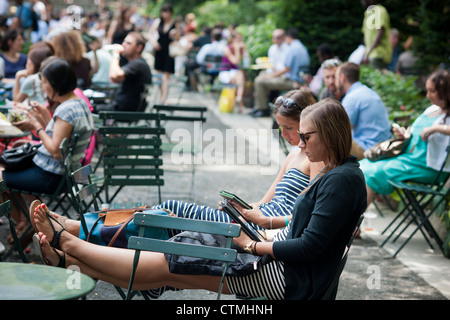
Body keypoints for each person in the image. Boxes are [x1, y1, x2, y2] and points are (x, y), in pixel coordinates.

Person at [32, 98, 366, 300]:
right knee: (169, 261)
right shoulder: (339, 172)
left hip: (284, 274)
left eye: (305, 136)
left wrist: (251, 245)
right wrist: (259, 232)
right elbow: (303, 232)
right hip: (278, 259)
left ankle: (71, 245)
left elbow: (307, 247)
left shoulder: (341, 180)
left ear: (330, 134)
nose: (300, 145)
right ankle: (70, 258)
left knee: (169, 263)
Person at [37, 89, 321, 245]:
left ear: (310, 123)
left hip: (259, 232)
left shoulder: (317, 158)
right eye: (281, 127)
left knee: (169, 213)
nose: (284, 135)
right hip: (250, 221)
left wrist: (262, 221)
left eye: (290, 128)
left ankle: (78, 229)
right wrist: (246, 207)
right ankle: (84, 227)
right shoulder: (296, 154)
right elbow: (267, 197)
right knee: (164, 213)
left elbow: (306, 216)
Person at [1, 57, 94, 243]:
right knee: (6, 166)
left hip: (50, 176)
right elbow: (60, 143)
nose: (42, 87)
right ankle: (25, 221)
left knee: (1, 176)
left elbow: (56, 151)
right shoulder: (79, 103)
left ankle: (25, 221)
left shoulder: (66, 110)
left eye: (44, 82)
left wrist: (36, 126)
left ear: (55, 83)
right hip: (64, 174)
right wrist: (43, 119)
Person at [360, 69, 450, 207]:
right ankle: (351, 218)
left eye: (432, 91)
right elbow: (415, 134)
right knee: (363, 165)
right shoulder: (432, 109)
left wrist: (435, 128)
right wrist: (403, 135)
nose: (427, 95)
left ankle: (355, 222)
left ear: (444, 91)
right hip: (408, 158)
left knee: (375, 171)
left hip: (427, 168)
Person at [335, 62, 391, 159]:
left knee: (333, 139)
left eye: (336, 78)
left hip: (369, 148)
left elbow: (341, 129)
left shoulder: (351, 98)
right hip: (384, 144)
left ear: (342, 78)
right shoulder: (369, 92)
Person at [251, 28, 310, 117]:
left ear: (288, 37)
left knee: (259, 81)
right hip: (300, 79)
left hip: (293, 82)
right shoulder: (302, 47)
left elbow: (286, 69)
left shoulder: (292, 48)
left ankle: (263, 109)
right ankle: (259, 106)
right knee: (261, 76)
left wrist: (270, 76)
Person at [95, 31, 152, 112]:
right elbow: (114, 80)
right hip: (122, 107)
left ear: (139, 48)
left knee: (91, 108)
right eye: (124, 42)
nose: (123, 45)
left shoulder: (138, 64)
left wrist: (116, 54)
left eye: (128, 43)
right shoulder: (136, 63)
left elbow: (114, 76)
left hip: (124, 110)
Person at [147, 3, 178, 105]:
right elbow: (150, 35)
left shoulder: (174, 23)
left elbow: (178, 38)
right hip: (159, 50)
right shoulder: (158, 22)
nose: (165, 14)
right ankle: (162, 96)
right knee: (159, 76)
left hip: (169, 51)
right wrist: (155, 43)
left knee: (166, 77)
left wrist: (174, 34)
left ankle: (164, 98)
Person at [218, 31, 247, 112]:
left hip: (235, 74)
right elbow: (236, 62)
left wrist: (244, 50)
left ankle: (239, 99)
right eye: (238, 40)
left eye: (241, 40)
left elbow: (247, 61)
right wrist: (237, 49)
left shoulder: (240, 49)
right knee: (241, 76)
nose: (240, 42)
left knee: (241, 75)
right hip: (226, 73)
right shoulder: (228, 49)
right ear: (232, 40)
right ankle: (240, 101)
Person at [361, 0, 392, 69]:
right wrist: (365, 54)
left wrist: (368, 53)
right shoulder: (367, 13)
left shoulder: (380, 11)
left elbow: (380, 33)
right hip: (370, 54)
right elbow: (366, 35)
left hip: (378, 54)